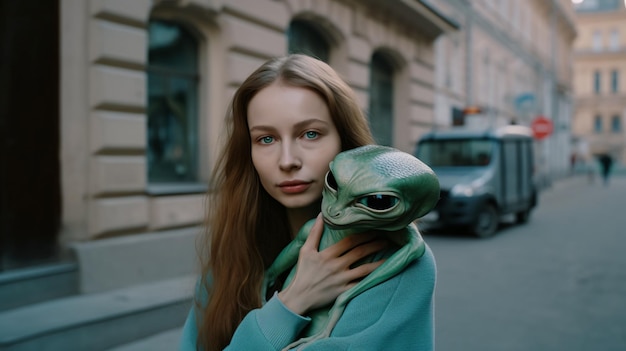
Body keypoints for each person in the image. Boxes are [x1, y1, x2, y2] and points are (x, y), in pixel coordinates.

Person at [180, 54, 436, 351]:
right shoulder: (235, 250)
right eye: (266, 139)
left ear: (346, 142)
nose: (288, 161)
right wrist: (293, 301)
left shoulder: (396, 262)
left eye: (310, 134)